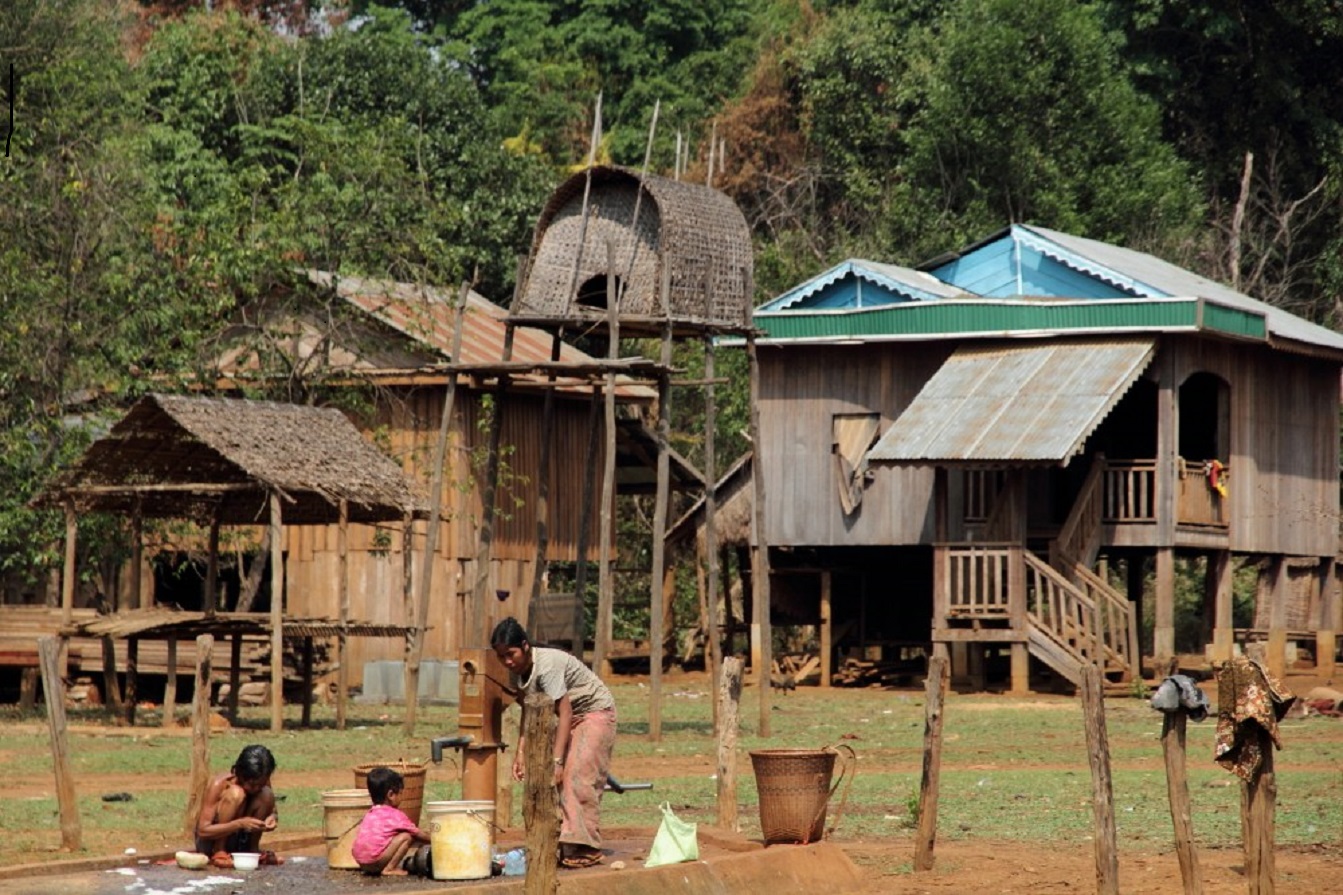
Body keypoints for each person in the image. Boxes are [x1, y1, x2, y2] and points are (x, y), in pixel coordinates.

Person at [491, 616, 616, 869]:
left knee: (576, 776)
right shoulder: (518, 674)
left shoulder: (546, 666)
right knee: (547, 778)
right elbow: (529, 708)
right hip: (568, 718)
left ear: (525, 646)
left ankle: (586, 847)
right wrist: (521, 753)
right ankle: (563, 841)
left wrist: (557, 761)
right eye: (501, 656)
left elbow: (566, 711)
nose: (507, 661)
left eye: (511, 654)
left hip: (594, 712)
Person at [194, 744, 283, 869]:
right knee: (236, 794)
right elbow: (203, 830)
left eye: (260, 784)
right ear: (240, 775)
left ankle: (253, 851)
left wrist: (272, 818)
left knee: (267, 794)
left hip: (240, 841)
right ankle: (219, 851)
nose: (256, 788)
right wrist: (239, 824)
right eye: (252, 785)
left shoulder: (262, 782)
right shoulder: (220, 784)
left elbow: (274, 812)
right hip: (210, 842)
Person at [351, 766, 432, 876]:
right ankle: (389, 868)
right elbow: (418, 833)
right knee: (406, 836)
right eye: (401, 793)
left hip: (360, 861)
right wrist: (436, 840)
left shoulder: (370, 813)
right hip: (374, 860)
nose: (402, 797)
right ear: (391, 795)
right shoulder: (395, 816)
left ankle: (373, 869)